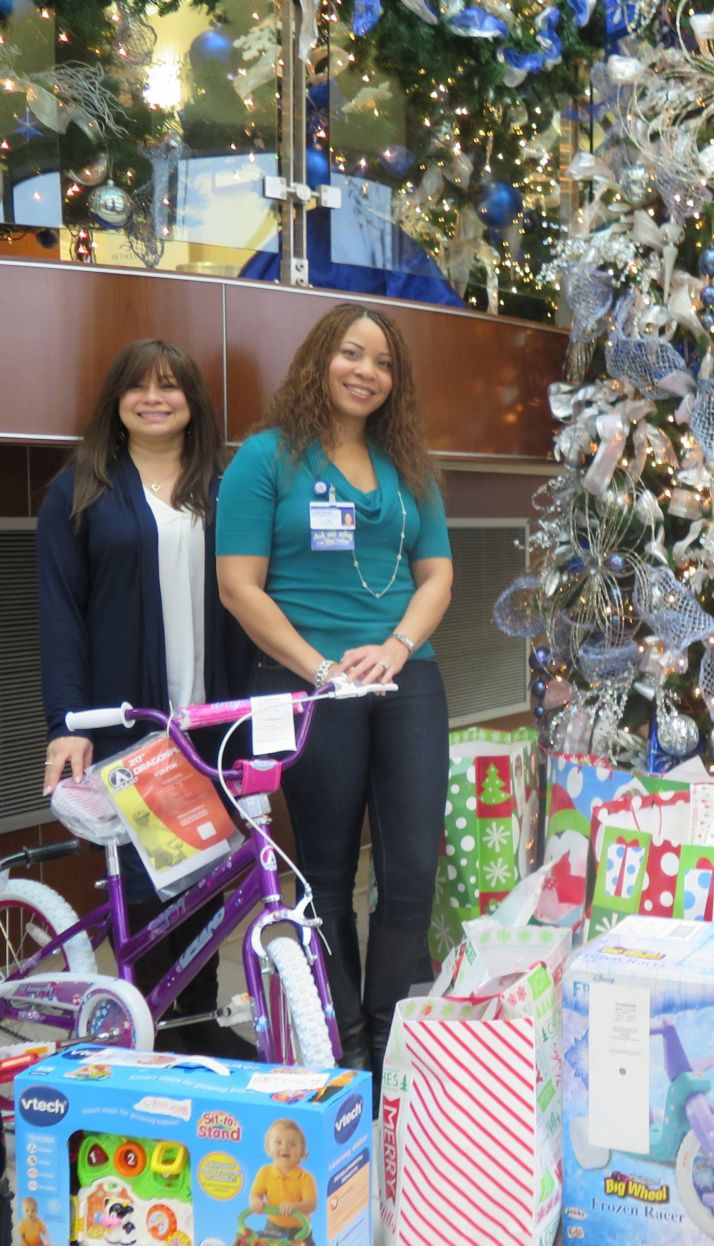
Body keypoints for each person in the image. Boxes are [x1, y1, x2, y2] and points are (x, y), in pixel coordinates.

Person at [217, 303, 453, 1082]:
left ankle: (391, 1042)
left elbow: (438, 576)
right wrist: (321, 670)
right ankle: (343, 1042)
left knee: (412, 868)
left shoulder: (408, 466)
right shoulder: (266, 459)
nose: (367, 372)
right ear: (321, 359)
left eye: (384, 363)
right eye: (352, 354)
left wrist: (394, 647)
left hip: (404, 680)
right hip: (303, 686)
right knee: (321, 870)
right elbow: (238, 588)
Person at [37, 339, 255, 1059]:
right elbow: (60, 615)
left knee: (211, 876)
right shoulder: (79, 491)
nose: (154, 398)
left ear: (194, 401)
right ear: (116, 401)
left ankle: (196, 1025)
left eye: (171, 386)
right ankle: (156, 1040)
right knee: (146, 885)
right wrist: (66, 724)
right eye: (138, 387)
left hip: (210, 723)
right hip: (129, 725)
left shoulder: (227, 486)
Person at [250, 1118, 318, 1236]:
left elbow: (311, 1204)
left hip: (300, 1230)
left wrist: (295, 1207)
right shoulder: (265, 1172)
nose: (285, 1148)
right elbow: (255, 1194)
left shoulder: (305, 1177)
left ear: (301, 1152)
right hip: (273, 1227)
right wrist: (256, 1201)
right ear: (268, 1147)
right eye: (278, 1142)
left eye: (292, 1144)